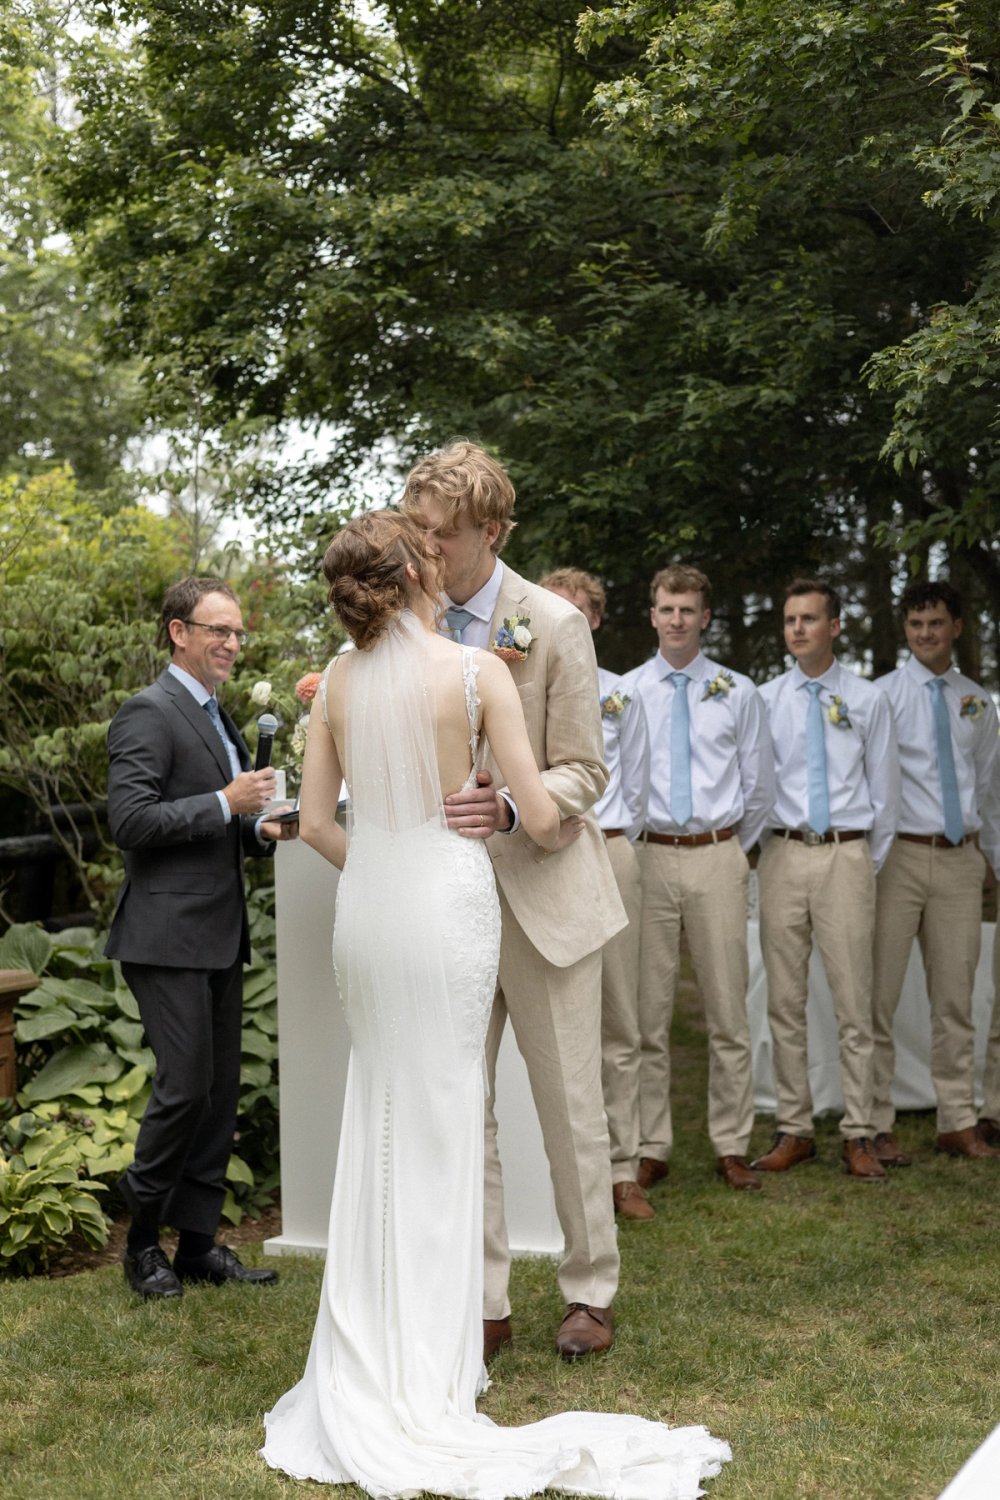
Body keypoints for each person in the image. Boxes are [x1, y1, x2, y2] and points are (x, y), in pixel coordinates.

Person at [260, 510, 730, 1499]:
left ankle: (387, 1341)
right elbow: (553, 811)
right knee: (447, 1120)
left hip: (373, 913)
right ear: (417, 571)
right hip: (449, 906)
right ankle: (444, 1351)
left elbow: (310, 822)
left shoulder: (339, 681)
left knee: (388, 1111)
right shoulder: (472, 676)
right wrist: (475, 836)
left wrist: (388, 866)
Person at [401, 442, 627, 1363]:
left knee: (570, 1105)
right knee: (463, 1104)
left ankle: (589, 1291)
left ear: (491, 532)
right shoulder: (403, 622)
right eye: (415, 531)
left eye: (441, 537)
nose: (424, 553)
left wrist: (509, 803)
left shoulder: (554, 624)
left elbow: (585, 771)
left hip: (544, 896)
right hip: (443, 904)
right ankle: (483, 1299)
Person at [106, 576, 297, 1300]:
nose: (232, 644)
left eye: (239, 632)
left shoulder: (220, 717)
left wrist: (262, 828)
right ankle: (141, 1244)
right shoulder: (147, 712)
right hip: (163, 937)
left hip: (219, 934)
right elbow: (131, 823)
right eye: (219, 630)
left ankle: (195, 1247)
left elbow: (228, 826)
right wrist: (226, 801)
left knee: (217, 1096)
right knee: (183, 1089)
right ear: (178, 632)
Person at [624, 565, 775, 1192]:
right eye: (667, 608)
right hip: (650, 855)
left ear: (705, 617)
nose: (677, 619)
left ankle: (732, 1144)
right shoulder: (626, 692)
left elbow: (759, 786)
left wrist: (733, 850)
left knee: (728, 1012)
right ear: (653, 615)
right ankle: (650, 1143)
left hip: (718, 853)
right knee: (647, 1012)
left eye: (688, 609)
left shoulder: (738, 692)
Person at [753, 579, 899, 1181]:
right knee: (785, 1000)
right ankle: (795, 1127)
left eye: (809, 619)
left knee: (853, 1001)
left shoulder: (867, 700)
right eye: (790, 620)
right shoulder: (763, 700)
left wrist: (862, 860)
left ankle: (860, 1131)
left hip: (845, 854)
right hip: (783, 853)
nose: (797, 630)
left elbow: (885, 794)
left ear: (834, 626)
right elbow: (758, 784)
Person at [870, 580, 1000, 1163]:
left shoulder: (977, 702)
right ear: (906, 629)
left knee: (955, 999)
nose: (925, 634)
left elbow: (991, 789)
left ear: (957, 629)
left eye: (936, 623)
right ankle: (874, 1121)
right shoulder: (883, 697)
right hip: (897, 857)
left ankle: (957, 1120)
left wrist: (993, 860)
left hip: (959, 861)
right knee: (880, 996)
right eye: (916, 624)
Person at [539, 567, 653, 1220]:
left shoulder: (620, 696)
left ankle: (621, 1168)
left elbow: (633, 778)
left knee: (619, 1016)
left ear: (595, 621)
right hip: (543, 851)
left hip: (606, 849)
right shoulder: (516, 680)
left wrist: (612, 837)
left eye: (575, 613)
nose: (563, 622)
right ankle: (557, 1173)